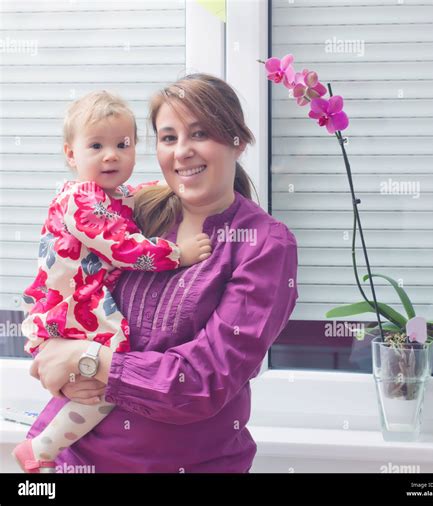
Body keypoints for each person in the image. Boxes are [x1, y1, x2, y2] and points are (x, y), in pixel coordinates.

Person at [25, 74, 298, 473]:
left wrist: (86, 359)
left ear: (238, 140)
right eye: (168, 138)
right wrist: (58, 368)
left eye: (200, 133)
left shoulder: (264, 245)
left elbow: (204, 381)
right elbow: (68, 293)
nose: (183, 151)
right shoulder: (137, 210)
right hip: (71, 459)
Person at [13, 91, 211, 473]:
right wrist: (178, 254)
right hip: (72, 304)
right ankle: (42, 447)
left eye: (123, 144)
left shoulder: (115, 194)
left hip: (82, 300)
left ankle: (44, 445)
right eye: (97, 145)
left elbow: (143, 193)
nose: (111, 155)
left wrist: (185, 181)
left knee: (100, 380)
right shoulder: (81, 198)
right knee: (116, 371)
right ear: (71, 155)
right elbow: (120, 246)